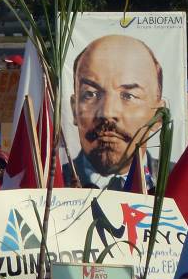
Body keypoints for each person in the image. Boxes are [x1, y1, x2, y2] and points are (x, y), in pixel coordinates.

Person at [64, 35, 165, 189]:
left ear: (158, 116)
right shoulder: (51, 185)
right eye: (90, 94)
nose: (107, 112)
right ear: (74, 109)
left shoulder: (176, 183)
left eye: (128, 96)